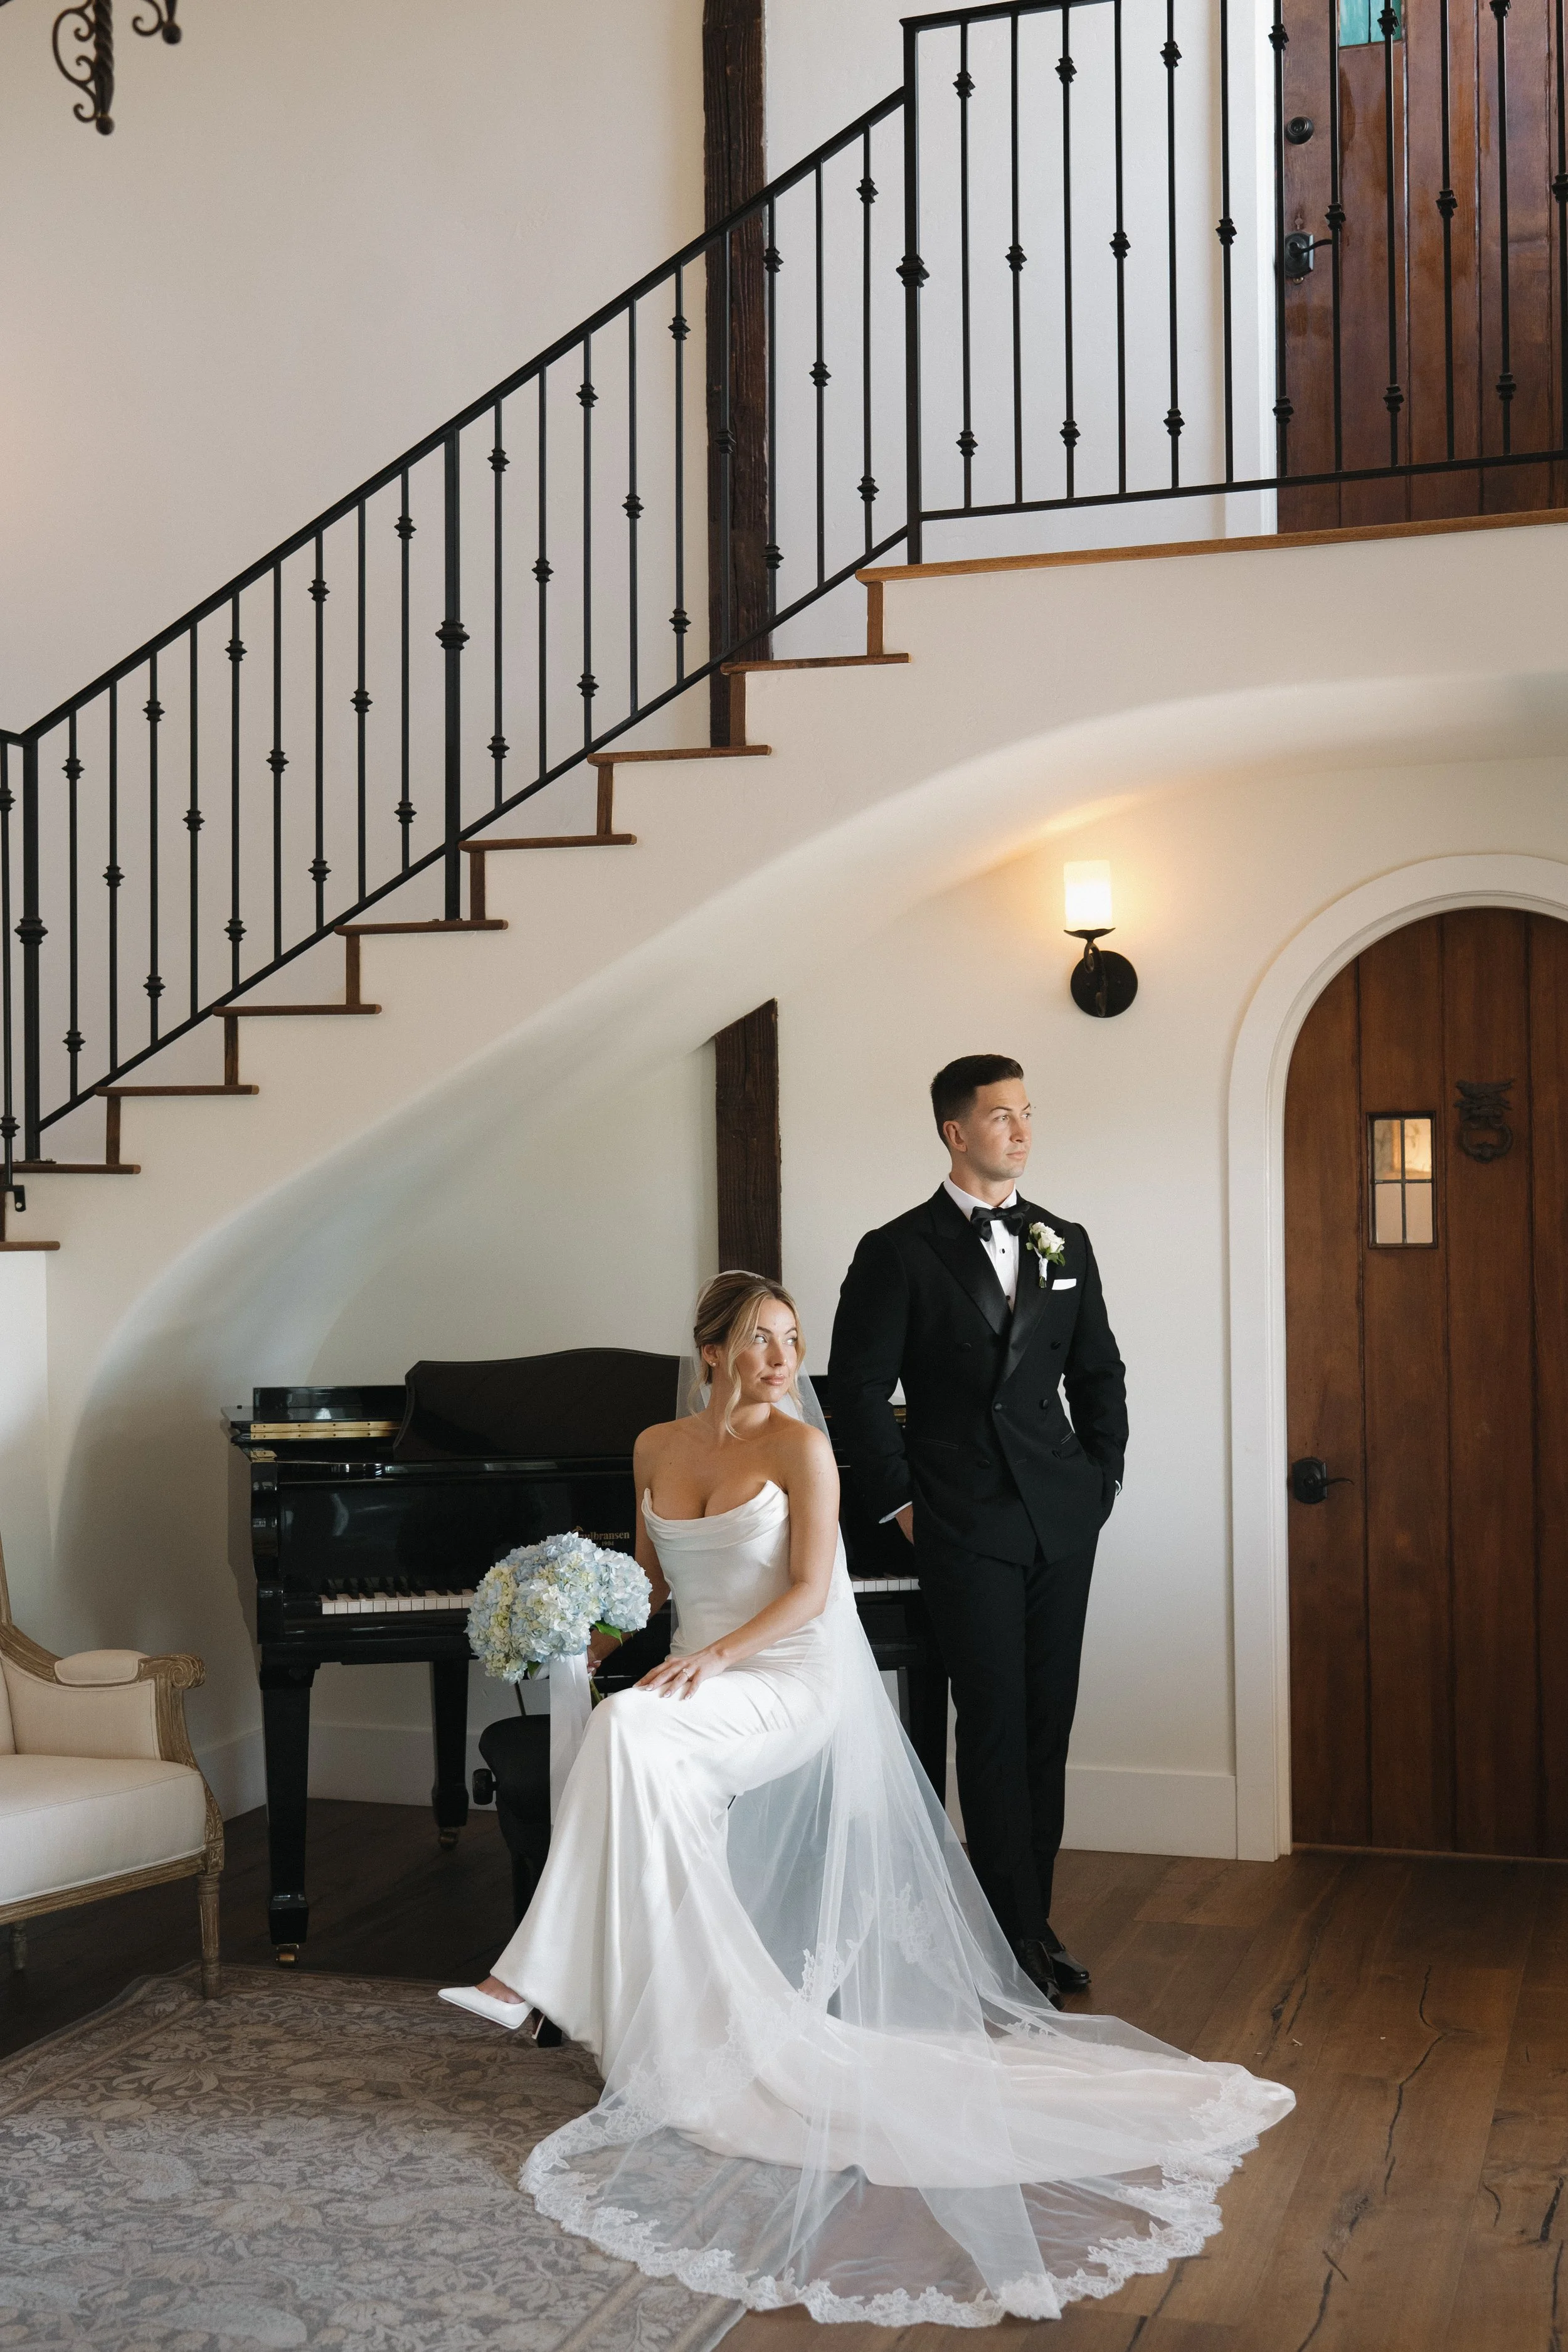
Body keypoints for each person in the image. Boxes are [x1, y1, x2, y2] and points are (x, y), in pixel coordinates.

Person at [440, 1272, 1292, 2327]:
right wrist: (570, 1632)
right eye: (759, 1339)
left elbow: (806, 1591)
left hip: (785, 1677)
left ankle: (527, 1979)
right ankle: (667, 2025)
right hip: (700, 1683)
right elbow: (652, 1591)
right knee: (634, 1754)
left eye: (790, 1339)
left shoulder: (803, 1448)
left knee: (625, 1730)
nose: (780, 1358)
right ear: (710, 1349)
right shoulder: (656, 1448)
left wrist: (713, 1664)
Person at [828, 1054, 1126, 2003]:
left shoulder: (1063, 1239)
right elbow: (859, 1393)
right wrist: (903, 1506)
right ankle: (1001, 1948)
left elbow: (1100, 1372)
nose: (1022, 1129)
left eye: (1027, 1112)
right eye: (1002, 1116)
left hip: (1059, 1518)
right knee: (992, 1728)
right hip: (961, 1519)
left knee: (1048, 1727)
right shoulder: (898, 1249)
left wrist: (1100, 1478)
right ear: (957, 1133)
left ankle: (1031, 1922)